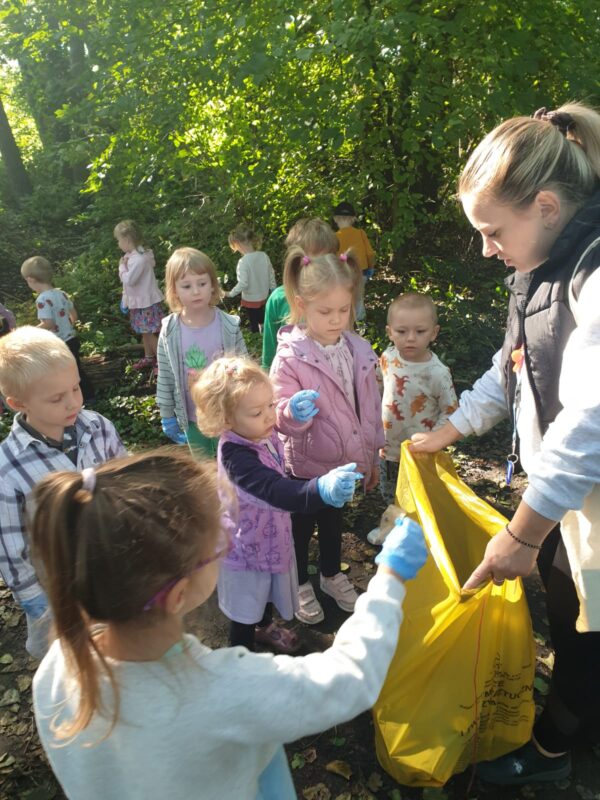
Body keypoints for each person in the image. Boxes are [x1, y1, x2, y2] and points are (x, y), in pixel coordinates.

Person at [31, 448, 428, 800]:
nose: (226, 544)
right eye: (217, 545)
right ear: (178, 596)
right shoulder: (223, 690)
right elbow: (349, 680)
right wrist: (391, 579)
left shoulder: (59, 668)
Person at [410, 102, 600, 785]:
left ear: (546, 205)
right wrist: (449, 430)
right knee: (568, 604)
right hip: (567, 503)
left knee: (589, 622)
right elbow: (511, 367)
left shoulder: (591, 275)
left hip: (591, 511)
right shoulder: (539, 266)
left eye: (492, 231)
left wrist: (520, 536)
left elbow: (591, 418)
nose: (486, 249)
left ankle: (560, 743)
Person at [193, 355, 362, 654]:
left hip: (270, 537)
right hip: (246, 549)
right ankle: (240, 654)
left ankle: (264, 627)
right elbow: (275, 489)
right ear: (227, 420)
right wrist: (319, 489)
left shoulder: (258, 430)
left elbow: (279, 426)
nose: (269, 416)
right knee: (245, 608)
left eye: (271, 404)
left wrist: (291, 414)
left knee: (267, 594)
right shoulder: (236, 457)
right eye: (259, 411)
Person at [270, 248, 383, 624]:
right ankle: (299, 580)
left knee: (333, 523)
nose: (337, 319)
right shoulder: (291, 356)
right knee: (300, 527)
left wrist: (372, 455)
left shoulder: (357, 349)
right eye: (326, 312)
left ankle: (331, 574)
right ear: (302, 306)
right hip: (305, 466)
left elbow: (368, 407)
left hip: (343, 461)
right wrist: (291, 413)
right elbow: (277, 411)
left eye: (343, 309)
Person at [0, 327, 125, 659]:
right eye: (56, 398)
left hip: (107, 566)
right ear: (18, 403)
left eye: (75, 387)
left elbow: (123, 481)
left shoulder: (98, 427)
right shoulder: (8, 469)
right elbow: (12, 549)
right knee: (69, 658)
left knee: (113, 646)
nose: (73, 402)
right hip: (54, 590)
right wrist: (34, 602)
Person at [156, 247, 247, 456]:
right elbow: (165, 376)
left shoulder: (228, 325)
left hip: (228, 414)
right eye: (187, 286)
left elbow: (244, 368)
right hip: (192, 418)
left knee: (231, 465)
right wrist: (167, 414)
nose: (196, 291)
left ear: (213, 286)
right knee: (204, 470)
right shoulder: (169, 331)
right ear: (174, 290)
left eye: (202, 283)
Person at [377, 292, 457, 506]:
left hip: (421, 451)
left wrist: (434, 440)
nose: (410, 338)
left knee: (418, 495)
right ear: (389, 332)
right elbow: (377, 387)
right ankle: (393, 526)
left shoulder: (437, 373)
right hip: (387, 447)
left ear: (434, 333)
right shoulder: (387, 358)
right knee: (390, 491)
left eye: (420, 331)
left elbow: (450, 411)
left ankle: (416, 533)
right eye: (402, 331)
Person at [261, 218, 338, 370]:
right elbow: (270, 356)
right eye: (313, 261)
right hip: (291, 384)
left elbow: (347, 342)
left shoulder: (338, 295)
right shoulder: (279, 298)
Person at [20, 255, 94, 402]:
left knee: (63, 375)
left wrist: (31, 331)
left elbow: (49, 324)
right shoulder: (61, 293)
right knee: (77, 370)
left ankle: (73, 400)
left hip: (58, 344)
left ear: (30, 280)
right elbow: (74, 315)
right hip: (72, 339)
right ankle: (89, 396)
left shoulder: (42, 299)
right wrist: (69, 326)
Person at [114, 220, 164, 371]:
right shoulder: (137, 255)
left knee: (149, 333)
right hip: (139, 302)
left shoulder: (139, 259)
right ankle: (149, 357)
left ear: (127, 240)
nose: (118, 244)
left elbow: (129, 280)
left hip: (145, 303)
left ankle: (163, 363)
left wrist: (121, 266)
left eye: (119, 240)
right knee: (144, 331)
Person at [225, 224, 276, 333]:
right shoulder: (263, 256)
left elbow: (243, 283)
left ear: (237, 244)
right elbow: (271, 273)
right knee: (261, 315)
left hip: (251, 298)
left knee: (253, 321)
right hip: (263, 295)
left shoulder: (243, 262)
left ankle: (256, 335)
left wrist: (230, 293)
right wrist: (273, 289)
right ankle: (264, 331)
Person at [333, 201, 376, 321]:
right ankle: (360, 322)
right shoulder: (360, 233)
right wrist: (371, 268)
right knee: (359, 296)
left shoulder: (334, 237)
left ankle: (345, 320)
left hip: (342, 273)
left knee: (344, 297)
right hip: (361, 272)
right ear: (353, 219)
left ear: (335, 219)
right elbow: (370, 254)